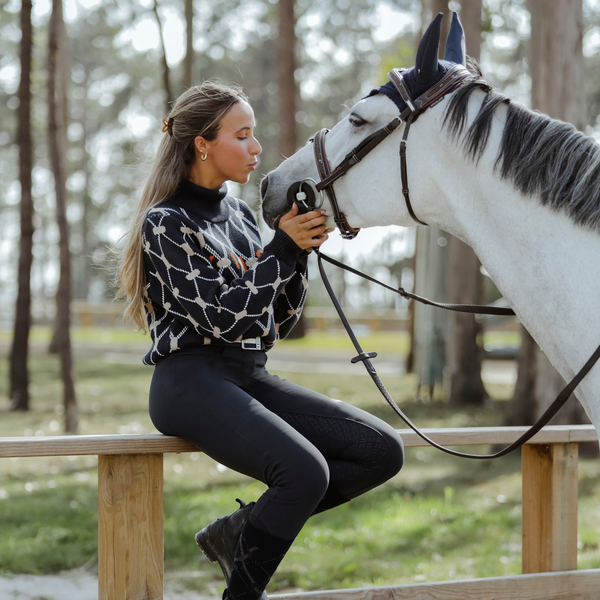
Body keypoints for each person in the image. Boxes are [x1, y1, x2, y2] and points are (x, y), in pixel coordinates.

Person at [117, 80, 404, 600]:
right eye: (243, 135)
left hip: (249, 375)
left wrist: (296, 252)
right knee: (303, 471)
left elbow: (278, 320)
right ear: (203, 143)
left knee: (381, 450)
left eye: (255, 134)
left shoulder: (243, 217)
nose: (256, 148)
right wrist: (280, 251)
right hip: (190, 383)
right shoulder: (166, 223)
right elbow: (225, 319)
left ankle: (238, 533)